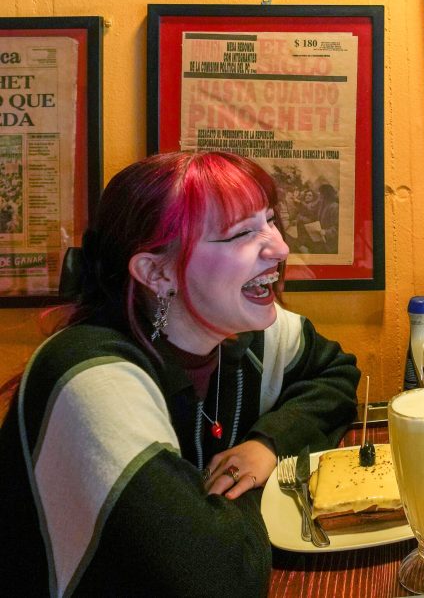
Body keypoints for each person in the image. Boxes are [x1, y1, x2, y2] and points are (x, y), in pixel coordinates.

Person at [0, 151, 361, 595]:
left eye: (270, 221)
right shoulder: (90, 380)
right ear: (157, 272)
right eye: (242, 233)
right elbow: (219, 578)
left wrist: (266, 445)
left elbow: (335, 374)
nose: (281, 248)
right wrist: (239, 487)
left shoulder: (243, 332)